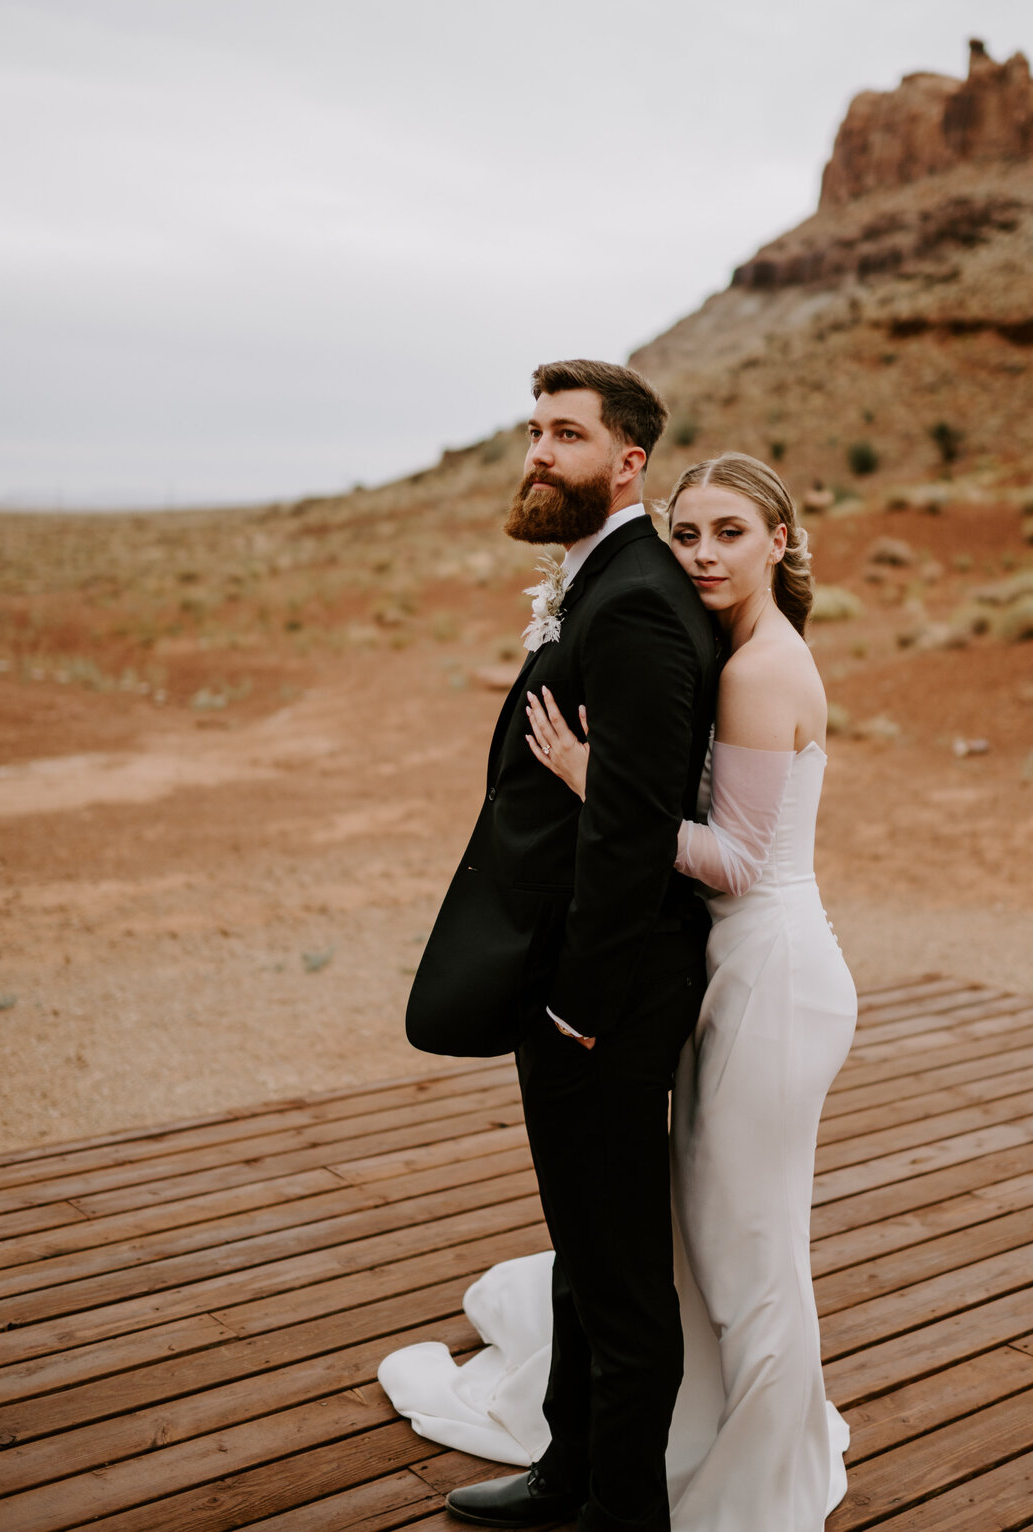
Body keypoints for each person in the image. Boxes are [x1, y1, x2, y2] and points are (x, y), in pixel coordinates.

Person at [385, 446, 857, 1530]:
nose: (701, 553)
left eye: (730, 532)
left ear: (779, 541)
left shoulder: (760, 666)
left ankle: (764, 1486)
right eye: (686, 532)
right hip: (740, 968)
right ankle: (664, 1458)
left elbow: (738, 862)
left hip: (772, 975)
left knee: (749, 1248)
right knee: (707, 1238)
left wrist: (600, 784)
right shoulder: (732, 646)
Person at [401, 360, 719, 1532]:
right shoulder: (604, 580)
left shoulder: (634, 598)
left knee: (625, 1281)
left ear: (626, 461)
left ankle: (621, 1512)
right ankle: (567, 1471)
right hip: (584, 987)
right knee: (584, 1251)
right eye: (534, 430)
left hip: (608, 995)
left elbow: (634, 834)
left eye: (566, 434)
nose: (539, 452)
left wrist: (580, 1002)